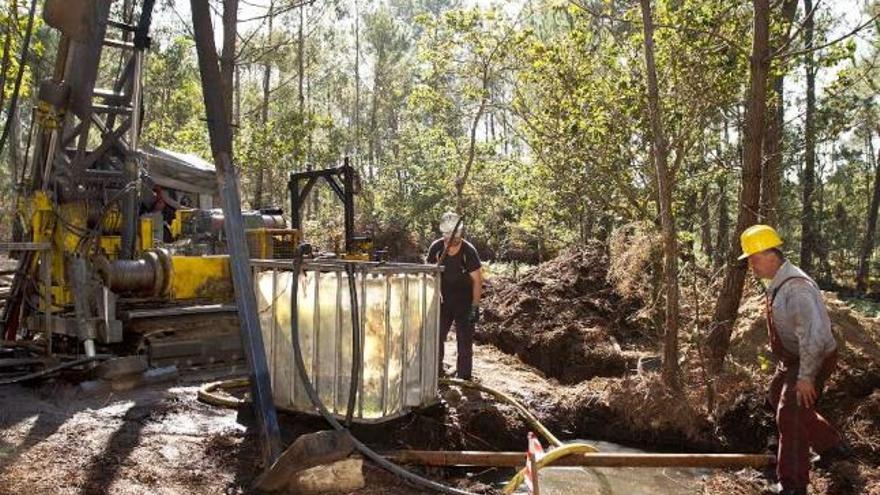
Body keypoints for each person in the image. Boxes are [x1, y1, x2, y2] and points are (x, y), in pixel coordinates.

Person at [739, 225, 850, 495]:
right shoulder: (779, 282)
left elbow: (813, 338)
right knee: (777, 395)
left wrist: (806, 378)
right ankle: (831, 445)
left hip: (813, 356)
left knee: (791, 413)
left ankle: (793, 484)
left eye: (754, 258)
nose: (752, 265)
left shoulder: (796, 289)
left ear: (770, 254)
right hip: (797, 356)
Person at [426, 212, 482, 380]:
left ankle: (464, 376)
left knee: (464, 342)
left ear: (459, 236)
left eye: (454, 239)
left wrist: (475, 306)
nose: (450, 243)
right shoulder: (436, 248)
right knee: (436, 337)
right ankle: (435, 372)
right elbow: (428, 275)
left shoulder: (468, 252)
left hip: (464, 302)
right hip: (443, 300)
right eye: (447, 238)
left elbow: (478, 281)